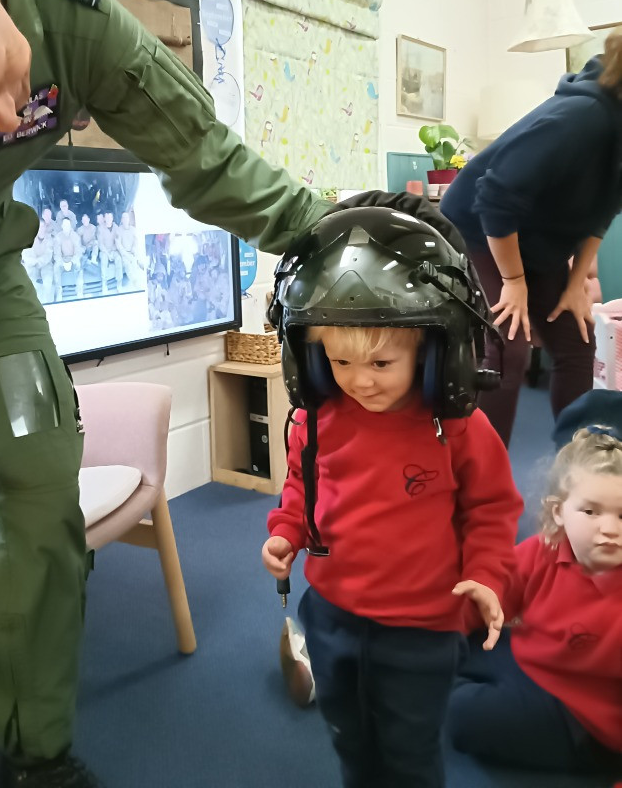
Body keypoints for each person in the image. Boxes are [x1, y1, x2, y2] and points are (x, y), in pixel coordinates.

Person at [0, 0, 333, 788]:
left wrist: (328, 229)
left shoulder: (74, 19)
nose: (4, 117)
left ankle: (31, 750)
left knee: (36, 493)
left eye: (1, 80)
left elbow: (201, 154)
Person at [262, 206, 522, 788]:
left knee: (409, 755)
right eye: (340, 361)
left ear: (431, 353)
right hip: (331, 616)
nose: (361, 380)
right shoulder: (318, 417)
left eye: (383, 362)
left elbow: (492, 509)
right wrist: (286, 530)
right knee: (348, 738)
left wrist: (487, 573)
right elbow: (303, 484)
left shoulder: (456, 427)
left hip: (420, 629)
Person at [440, 46, 622, 447]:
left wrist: (576, 284)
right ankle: (483, 480)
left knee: (578, 340)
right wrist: (514, 280)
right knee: (508, 348)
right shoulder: (581, 118)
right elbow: (495, 199)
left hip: (535, 240)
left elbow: (603, 211)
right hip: (479, 229)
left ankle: (577, 467)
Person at [448, 390, 622, 777]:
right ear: (559, 512)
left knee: (464, 715)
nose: (609, 530)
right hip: (531, 659)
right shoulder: (547, 549)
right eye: (591, 511)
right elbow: (494, 597)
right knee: (445, 647)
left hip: (582, 719)